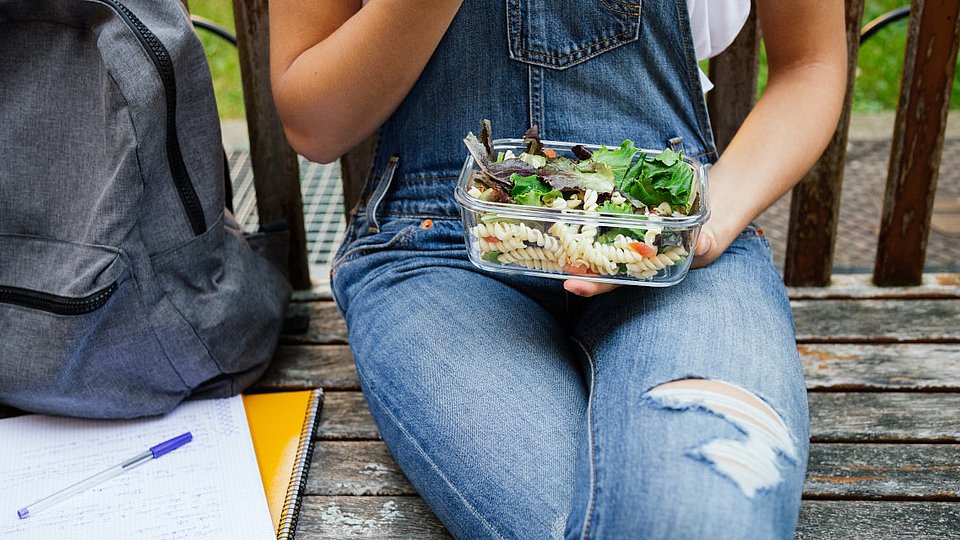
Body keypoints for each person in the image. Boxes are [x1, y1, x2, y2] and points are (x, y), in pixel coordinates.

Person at [269, 1, 846, 538]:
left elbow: (810, 64)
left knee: (700, 513)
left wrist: (699, 225)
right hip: (441, 251)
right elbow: (315, 125)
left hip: (670, 246)